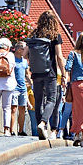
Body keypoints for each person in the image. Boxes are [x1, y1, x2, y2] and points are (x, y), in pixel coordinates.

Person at [25, 12, 66, 140]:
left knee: (38, 100)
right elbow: (59, 57)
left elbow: (25, 54)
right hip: (50, 73)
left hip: (36, 73)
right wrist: (63, 74)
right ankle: (43, 123)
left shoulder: (34, 35)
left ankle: (40, 127)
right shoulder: (55, 36)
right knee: (51, 100)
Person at [0, 37, 18, 135]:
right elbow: (12, 67)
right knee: (7, 107)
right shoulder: (11, 55)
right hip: (8, 83)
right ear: (7, 47)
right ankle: (6, 129)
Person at [12, 42, 31, 135]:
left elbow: (27, 74)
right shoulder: (12, 60)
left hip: (23, 88)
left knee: (22, 109)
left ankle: (21, 130)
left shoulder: (24, 61)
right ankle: (11, 130)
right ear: (19, 50)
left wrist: (31, 84)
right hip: (14, 88)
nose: (26, 51)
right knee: (13, 109)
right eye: (24, 49)